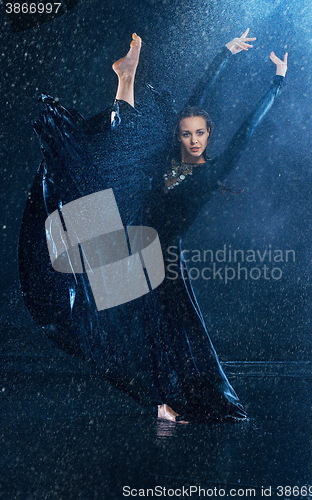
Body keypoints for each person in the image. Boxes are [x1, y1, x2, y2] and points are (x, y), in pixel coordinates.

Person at [18, 30, 287, 423]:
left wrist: (276, 83)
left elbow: (245, 133)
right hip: (127, 228)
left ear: (209, 136)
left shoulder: (209, 174)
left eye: (200, 134)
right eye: (187, 133)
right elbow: (198, 96)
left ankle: (168, 398)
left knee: (153, 333)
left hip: (160, 264)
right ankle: (126, 77)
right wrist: (224, 55)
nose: (193, 140)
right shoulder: (167, 155)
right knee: (120, 153)